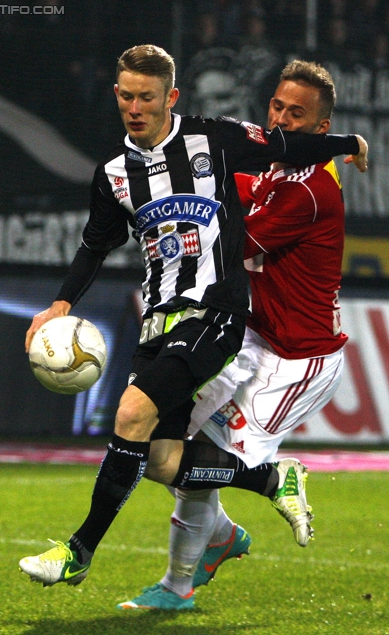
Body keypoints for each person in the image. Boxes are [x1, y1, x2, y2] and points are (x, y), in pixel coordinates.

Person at [18, 45, 368, 590]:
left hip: (248, 329)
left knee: (132, 417)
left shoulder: (242, 154)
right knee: (162, 459)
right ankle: (264, 488)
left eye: (147, 97)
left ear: (170, 97)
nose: (136, 106)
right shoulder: (114, 173)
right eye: (127, 96)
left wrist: (349, 143)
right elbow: (93, 245)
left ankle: (90, 555)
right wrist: (61, 304)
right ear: (116, 96)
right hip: (174, 322)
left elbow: (275, 161)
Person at [118, 59, 353, 611]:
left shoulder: (310, 190)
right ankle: (220, 536)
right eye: (277, 107)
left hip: (297, 360)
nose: (282, 120)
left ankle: (178, 587)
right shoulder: (273, 171)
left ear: (320, 130)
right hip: (251, 338)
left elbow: (231, 242)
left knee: (200, 457)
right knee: (165, 450)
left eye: (298, 114)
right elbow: (223, 179)